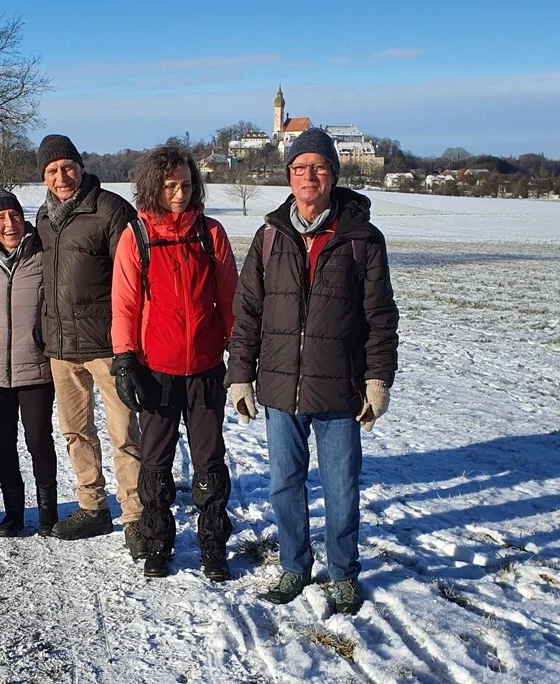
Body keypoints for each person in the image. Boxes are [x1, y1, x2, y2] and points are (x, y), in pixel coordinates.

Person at [226, 128, 399, 614]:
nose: (310, 176)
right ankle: (295, 565)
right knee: (285, 483)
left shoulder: (362, 239)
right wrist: (241, 375)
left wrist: (377, 379)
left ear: (333, 175)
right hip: (280, 385)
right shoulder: (267, 237)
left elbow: (381, 317)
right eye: (300, 168)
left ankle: (343, 571)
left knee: (342, 485)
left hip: (340, 388)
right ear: (289, 177)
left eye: (319, 168)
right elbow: (247, 314)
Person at [110, 146, 238, 580]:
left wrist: (238, 353)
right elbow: (125, 305)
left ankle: (212, 543)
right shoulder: (137, 236)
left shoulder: (211, 233)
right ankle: (158, 542)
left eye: (185, 184)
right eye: (170, 186)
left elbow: (230, 300)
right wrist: (124, 358)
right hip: (156, 370)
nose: (179, 194)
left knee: (209, 461)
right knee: (156, 463)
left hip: (205, 368)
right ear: (154, 187)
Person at [34, 134, 145, 558]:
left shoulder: (111, 210)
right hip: (61, 347)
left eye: (67, 167)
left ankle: (134, 514)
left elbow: (135, 278)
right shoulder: (44, 219)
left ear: (80, 167)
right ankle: (92, 506)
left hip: (106, 344)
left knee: (123, 433)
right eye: (51, 171)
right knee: (76, 432)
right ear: (43, 176)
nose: (61, 177)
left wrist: (129, 344)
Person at [0, 190, 58, 537]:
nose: (9, 224)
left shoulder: (42, 254)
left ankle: (48, 513)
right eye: (0, 218)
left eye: (14, 216)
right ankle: (13, 513)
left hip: (35, 363)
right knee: (2, 441)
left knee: (38, 439)